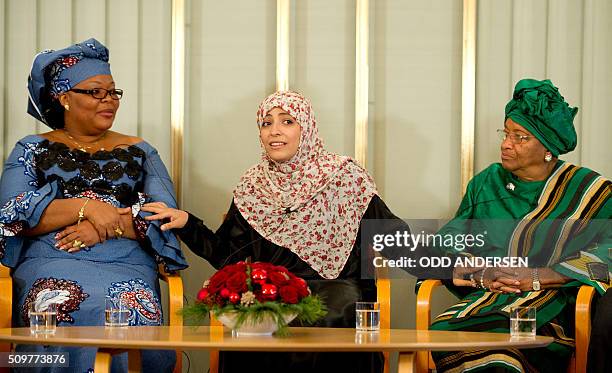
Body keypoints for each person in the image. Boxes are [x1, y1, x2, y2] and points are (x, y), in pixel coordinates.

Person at [143, 90, 407, 373]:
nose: (274, 132)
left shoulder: (344, 177)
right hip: (271, 296)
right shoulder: (252, 186)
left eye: (287, 121)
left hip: (337, 293)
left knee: (330, 313)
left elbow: (391, 234)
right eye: (266, 123)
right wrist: (188, 223)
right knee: (254, 319)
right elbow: (228, 254)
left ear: (307, 128)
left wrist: (447, 267)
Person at [0, 38, 187, 372]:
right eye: (96, 92)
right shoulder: (30, 149)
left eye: (114, 92)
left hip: (125, 263)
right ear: (65, 98)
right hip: (51, 261)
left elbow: (164, 217)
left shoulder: (142, 151)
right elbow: (13, 214)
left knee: (125, 308)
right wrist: (84, 206)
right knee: (52, 305)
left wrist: (103, 226)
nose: (109, 101)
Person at [428, 79, 611, 372]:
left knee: (507, 350)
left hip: (553, 308)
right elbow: (447, 241)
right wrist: (480, 272)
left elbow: (608, 253)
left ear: (548, 148)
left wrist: (542, 276)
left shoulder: (591, 191)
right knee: (446, 332)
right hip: (487, 298)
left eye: (521, 137)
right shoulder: (486, 183)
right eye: (506, 132)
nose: (506, 144)